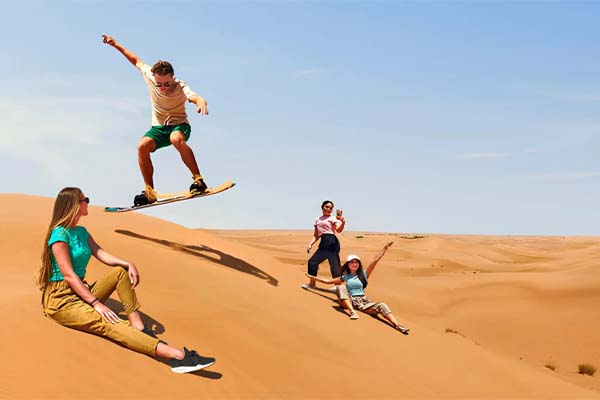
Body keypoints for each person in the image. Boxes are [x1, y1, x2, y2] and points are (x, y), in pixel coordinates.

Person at [35, 187, 216, 373]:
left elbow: (100, 253)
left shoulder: (81, 231)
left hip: (81, 291)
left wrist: (127, 264)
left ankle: (139, 328)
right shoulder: (59, 234)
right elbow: (69, 275)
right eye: (85, 199)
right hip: (62, 301)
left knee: (120, 272)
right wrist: (96, 303)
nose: (88, 202)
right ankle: (177, 357)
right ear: (74, 205)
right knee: (109, 322)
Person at [101, 34, 210, 206]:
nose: (163, 88)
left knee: (176, 139)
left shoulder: (180, 86)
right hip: (158, 128)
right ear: (154, 78)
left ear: (172, 77)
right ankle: (150, 191)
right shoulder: (150, 76)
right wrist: (115, 45)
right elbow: (135, 60)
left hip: (179, 126)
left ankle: (199, 180)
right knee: (142, 146)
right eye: (160, 84)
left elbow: (194, 97)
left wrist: (201, 102)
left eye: (167, 83)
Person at [306, 241, 410, 334]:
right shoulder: (345, 277)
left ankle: (397, 326)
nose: (354, 264)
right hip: (352, 301)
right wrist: (312, 278)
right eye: (352, 262)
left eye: (356, 262)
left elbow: (374, 261)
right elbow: (328, 281)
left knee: (382, 305)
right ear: (347, 264)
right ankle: (352, 312)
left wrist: (384, 249)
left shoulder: (363, 275)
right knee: (339, 287)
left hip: (364, 302)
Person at [302, 200, 346, 290]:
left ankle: (338, 286)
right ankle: (312, 284)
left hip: (332, 241)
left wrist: (343, 223)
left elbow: (338, 230)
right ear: (322, 207)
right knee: (312, 262)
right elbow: (316, 235)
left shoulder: (333, 218)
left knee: (334, 263)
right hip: (323, 241)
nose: (329, 209)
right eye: (327, 207)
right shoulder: (317, 220)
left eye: (331, 208)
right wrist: (310, 244)